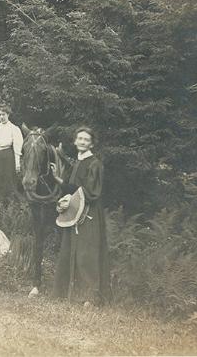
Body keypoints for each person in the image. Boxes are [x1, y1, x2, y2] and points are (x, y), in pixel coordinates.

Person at [51, 127, 111, 306]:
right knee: (69, 249)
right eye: (80, 139)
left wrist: (70, 197)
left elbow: (92, 192)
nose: (82, 142)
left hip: (89, 213)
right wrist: (57, 179)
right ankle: (66, 294)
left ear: (91, 143)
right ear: (75, 141)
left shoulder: (94, 164)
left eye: (86, 139)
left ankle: (90, 297)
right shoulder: (78, 162)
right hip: (75, 211)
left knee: (87, 253)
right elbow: (72, 187)